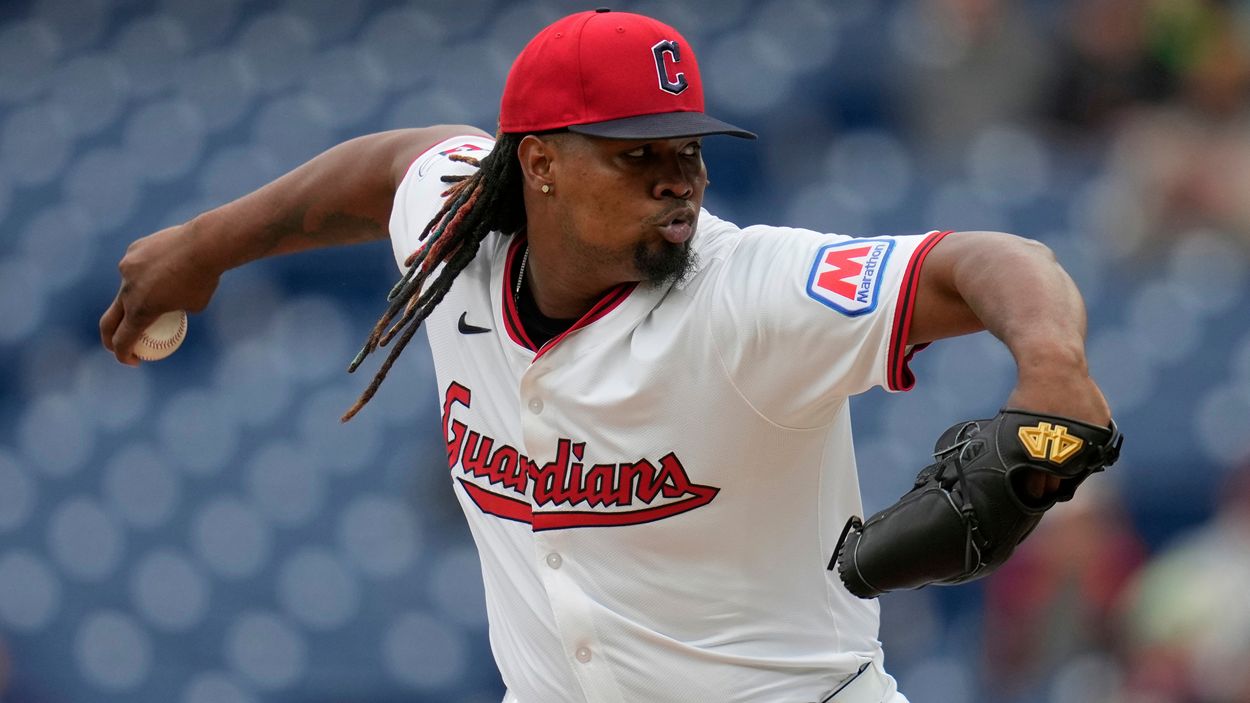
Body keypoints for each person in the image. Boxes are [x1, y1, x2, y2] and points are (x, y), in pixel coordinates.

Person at [100, 9, 1112, 703]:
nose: (679, 180)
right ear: (538, 163)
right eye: (639, 155)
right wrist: (203, 246)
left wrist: (1052, 377)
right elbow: (388, 168)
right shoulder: (459, 230)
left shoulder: (750, 291)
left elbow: (992, 262)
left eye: (688, 150)